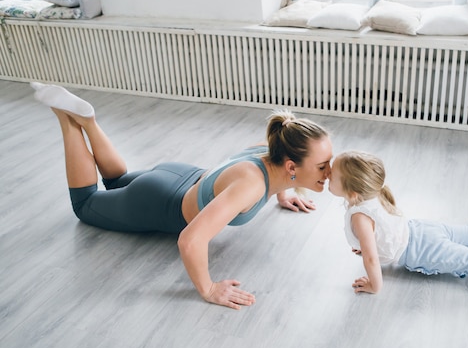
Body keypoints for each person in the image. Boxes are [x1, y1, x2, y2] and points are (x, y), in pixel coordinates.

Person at [32, 82, 333, 310]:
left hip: (177, 176)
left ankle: (89, 121)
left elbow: (277, 173)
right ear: (292, 165)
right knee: (85, 205)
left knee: (117, 181)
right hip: (160, 203)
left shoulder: (270, 150)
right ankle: (65, 118)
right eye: (321, 166)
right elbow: (190, 240)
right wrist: (209, 289)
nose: (329, 171)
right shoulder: (251, 186)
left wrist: (283, 194)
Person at [328, 150, 468, 304]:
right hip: (421, 229)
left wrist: (374, 285)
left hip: (424, 250)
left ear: (352, 192)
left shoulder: (359, 216)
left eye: (332, 175)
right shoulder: (370, 193)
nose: (328, 173)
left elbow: (371, 260)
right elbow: (380, 235)